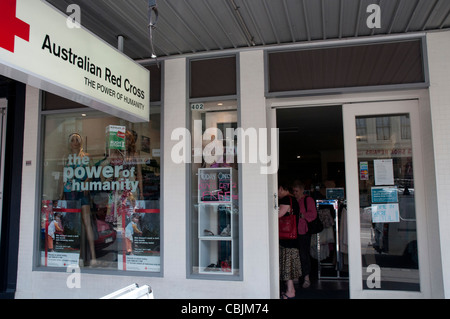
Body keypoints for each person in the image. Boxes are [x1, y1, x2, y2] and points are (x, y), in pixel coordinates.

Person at [59, 133, 97, 266]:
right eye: (72, 140)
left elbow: (92, 173)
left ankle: (93, 256)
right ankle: (78, 256)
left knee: (86, 223)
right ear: (69, 143)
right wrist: (61, 195)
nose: (75, 142)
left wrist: (87, 182)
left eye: (77, 140)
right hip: (70, 192)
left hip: (82, 191)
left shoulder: (86, 156)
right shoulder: (67, 158)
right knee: (75, 224)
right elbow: (63, 176)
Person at [278, 180, 301, 299]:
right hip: (291, 238)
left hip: (287, 238)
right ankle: (290, 290)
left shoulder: (287, 199)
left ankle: (290, 291)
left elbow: (277, 215)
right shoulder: (293, 200)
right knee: (288, 265)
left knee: (287, 266)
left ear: (281, 188)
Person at [292, 180, 317, 288]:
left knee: (303, 254)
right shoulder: (293, 200)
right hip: (294, 231)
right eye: (294, 191)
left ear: (302, 190)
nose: (295, 193)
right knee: (295, 254)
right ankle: (297, 275)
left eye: (297, 191)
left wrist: (302, 215)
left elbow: (313, 214)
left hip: (304, 230)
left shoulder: (308, 200)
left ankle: (306, 278)